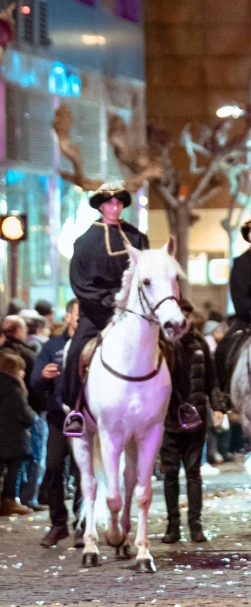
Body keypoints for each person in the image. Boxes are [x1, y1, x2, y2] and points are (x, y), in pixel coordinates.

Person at [63, 181, 149, 434]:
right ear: (101, 206)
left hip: (135, 312)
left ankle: (180, 404)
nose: (115, 206)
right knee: (75, 352)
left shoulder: (137, 237)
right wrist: (109, 300)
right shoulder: (84, 242)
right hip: (97, 313)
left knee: (170, 346)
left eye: (119, 202)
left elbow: (147, 273)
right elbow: (80, 283)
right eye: (110, 202)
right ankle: (75, 409)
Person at [160, 299, 225, 544]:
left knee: (194, 474)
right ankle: (172, 526)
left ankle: (195, 525)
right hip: (168, 420)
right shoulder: (164, 345)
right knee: (170, 475)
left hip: (195, 419)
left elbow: (212, 379)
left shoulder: (200, 344)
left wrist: (218, 406)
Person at [31, 300, 84, 547]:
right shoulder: (53, 345)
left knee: (83, 471)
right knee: (53, 468)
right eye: (79, 313)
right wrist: (43, 375)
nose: (83, 317)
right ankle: (58, 523)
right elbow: (34, 381)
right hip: (57, 418)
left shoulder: (90, 343)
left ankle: (83, 525)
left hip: (85, 419)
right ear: (67, 317)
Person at [0, 349, 36, 516]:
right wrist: (33, 416)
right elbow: (25, 415)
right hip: (13, 439)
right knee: (14, 471)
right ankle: (10, 501)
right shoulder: (15, 389)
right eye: (22, 369)